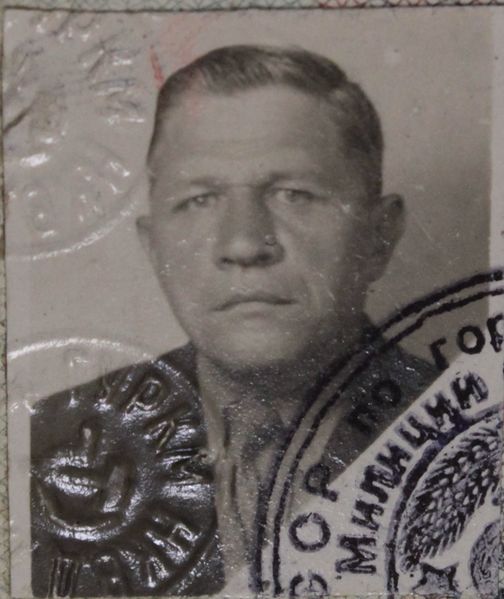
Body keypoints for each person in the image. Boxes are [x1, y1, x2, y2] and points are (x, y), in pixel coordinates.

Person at [30, 45, 435, 597]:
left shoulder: (477, 433)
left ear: (379, 236)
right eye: (199, 200)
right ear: (153, 247)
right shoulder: (45, 443)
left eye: (294, 194)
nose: (244, 243)